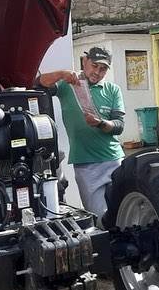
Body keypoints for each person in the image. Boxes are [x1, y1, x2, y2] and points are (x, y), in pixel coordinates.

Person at [37, 47, 125, 217]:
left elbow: (119, 126)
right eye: (94, 66)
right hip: (86, 165)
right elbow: (39, 83)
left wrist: (100, 123)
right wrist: (62, 73)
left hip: (115, 160)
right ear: (85, 62)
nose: (97, 72)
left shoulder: (113, 90)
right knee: (99, 218)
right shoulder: (67, 84)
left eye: (103, 68)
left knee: (123, 212)